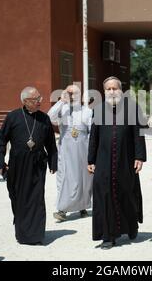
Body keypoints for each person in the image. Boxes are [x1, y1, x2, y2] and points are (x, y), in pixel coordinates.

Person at [88, 76, 147, 249]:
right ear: (104, 91)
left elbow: (139, 134)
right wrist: (90, 159)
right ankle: (108, 236)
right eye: (108, 89)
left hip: (126, 161)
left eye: (115, 88)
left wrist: (139, 157)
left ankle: (131, 226)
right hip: (104, 161)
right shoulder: (98, 109)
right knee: (104, 196)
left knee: (127, 194)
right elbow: (94, 136)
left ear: (121, 90)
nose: (112, 92)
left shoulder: (132, 108)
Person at [0, 86, 57, 245]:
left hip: (37, 164)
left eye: (39, 98)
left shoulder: (44, 118)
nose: (39, 102)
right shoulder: (13, 117)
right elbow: (2, 140)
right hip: (18, 165)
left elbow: (50, 143)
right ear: (25, 101)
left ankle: (36, 236)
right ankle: (22, 233)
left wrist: (53, 161)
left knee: (36, 199)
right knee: (18, 197)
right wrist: (1, 162)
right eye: (36, 99)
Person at [47, 84, 93, 221]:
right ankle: (62, 210)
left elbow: (91, 132)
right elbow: (50, 117)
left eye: (74, 93)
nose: (72, 96)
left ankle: (82, 206)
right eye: (69, 93)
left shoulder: (87, 111)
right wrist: (61, 100)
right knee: (65, 178)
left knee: (83, 178)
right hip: (65, 151)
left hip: (82, 151)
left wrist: (91, 151)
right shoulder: (63, 109)